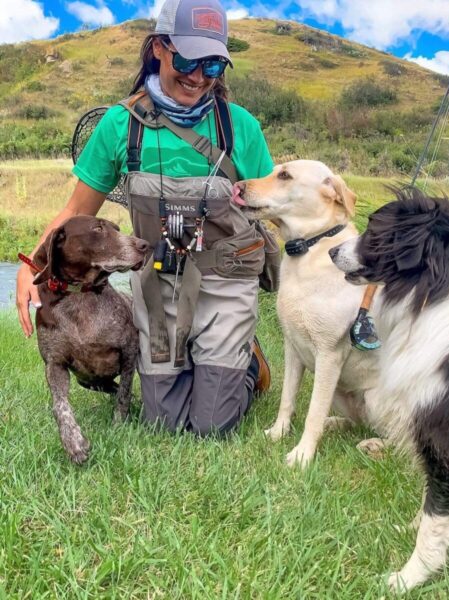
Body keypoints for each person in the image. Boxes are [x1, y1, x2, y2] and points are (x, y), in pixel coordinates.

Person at [16, 0, 277, 436]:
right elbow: (77, 212)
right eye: (189, 59)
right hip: (160, 284)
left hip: (226, 282)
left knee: (211, 427)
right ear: (159, 47)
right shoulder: (120, 125)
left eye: (212, 65)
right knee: (164, 425)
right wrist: (33, 268)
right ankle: (204, 357)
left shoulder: (241, 128)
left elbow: (274, 205)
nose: (198, 77)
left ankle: (247, 360)